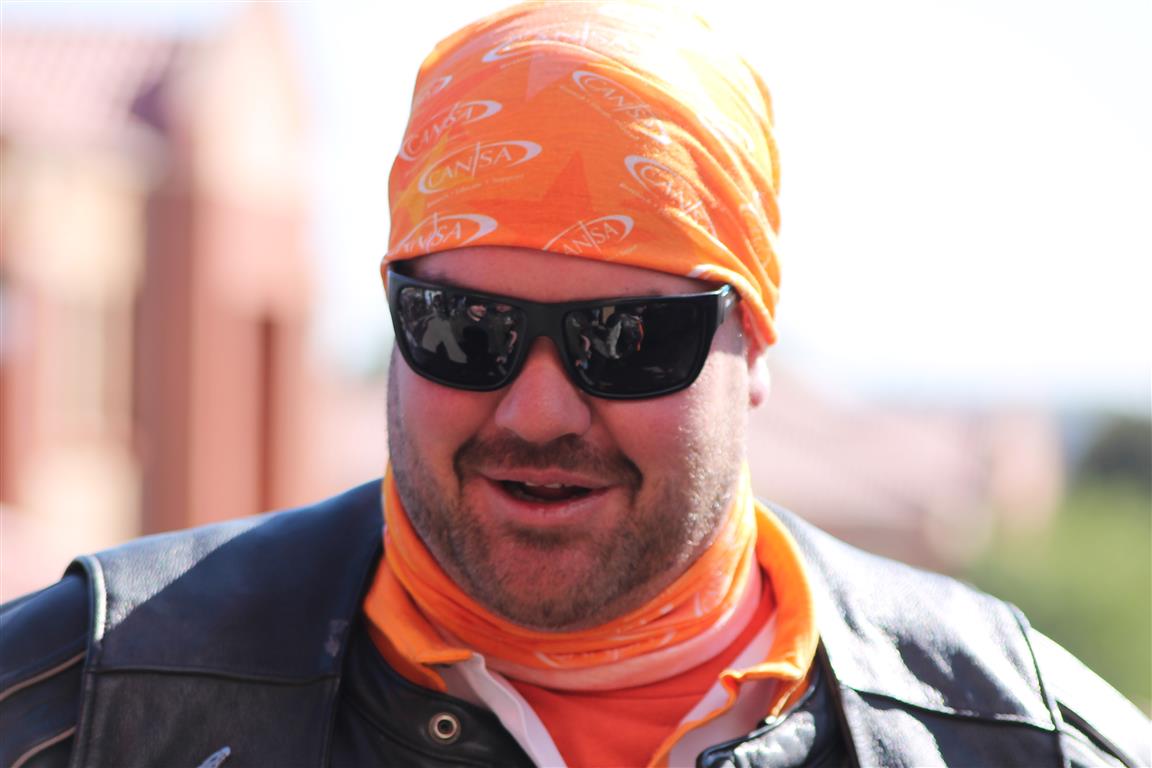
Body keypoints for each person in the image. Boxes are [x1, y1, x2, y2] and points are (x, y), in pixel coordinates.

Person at [2, 3, 1148, 767]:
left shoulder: (1013, 738)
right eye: (464, 330)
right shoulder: (93, 705)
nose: (538, 411)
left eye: (627, 339)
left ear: (753, 343)